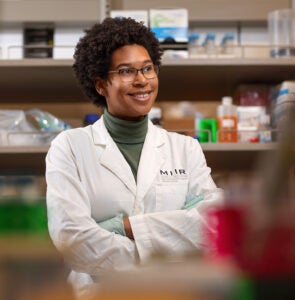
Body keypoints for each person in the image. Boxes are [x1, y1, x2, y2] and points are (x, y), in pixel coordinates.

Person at [45, 17, 223, 298]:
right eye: (126, 71)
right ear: (102, 84)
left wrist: (121, 227)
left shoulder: (185, 148)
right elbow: (73, 240)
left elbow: (212, 226)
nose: (142, 80)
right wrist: (164, 255)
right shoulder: (69, 147)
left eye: (148, 68)